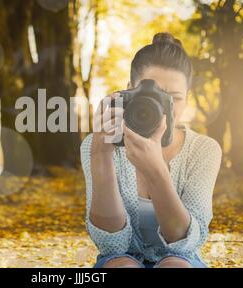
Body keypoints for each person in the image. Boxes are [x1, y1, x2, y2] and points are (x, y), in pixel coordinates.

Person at [80, 32, 222, 268]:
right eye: (149, 96)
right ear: (127, 92)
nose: (162, 109)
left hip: (183, 261)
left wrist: (157, 172)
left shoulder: (203, 150)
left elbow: (183, 243)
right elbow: (112, 245)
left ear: (188, 98)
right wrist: (101, 156)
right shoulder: (99, 144)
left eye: (174, 98)